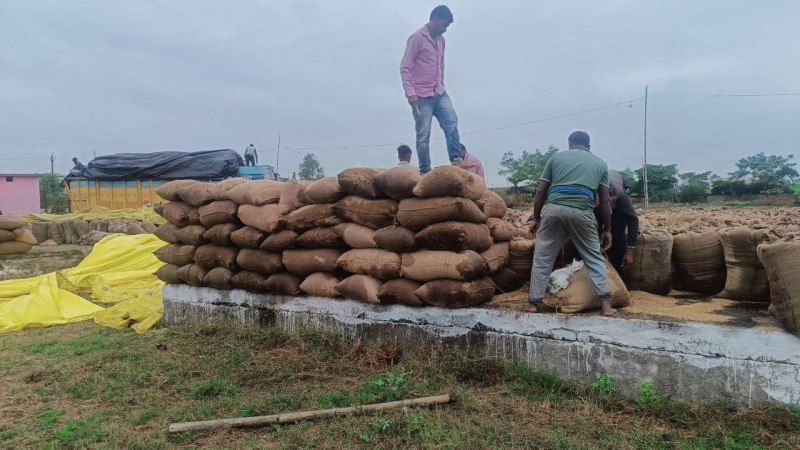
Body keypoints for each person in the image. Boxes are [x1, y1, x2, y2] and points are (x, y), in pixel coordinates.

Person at [527, 131, 617, 316]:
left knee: (543, 257)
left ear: (569, 144)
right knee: (593, 257)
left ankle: (533, 304)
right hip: (582, 212)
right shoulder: (600, 163)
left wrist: (536, 218)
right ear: (589, 146)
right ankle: (606, 306)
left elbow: (540, 191)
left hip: (554, 210)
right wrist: (607, 230)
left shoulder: (556, 158)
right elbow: (605, 201)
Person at [400, 5, 462, 174]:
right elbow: (405, 67)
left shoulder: (441, 41)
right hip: (421, 95)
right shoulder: (417, 38)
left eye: (447, 27)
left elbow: (440, 65)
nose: (445, 29)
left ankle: (456, 160)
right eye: (443, 25)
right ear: (434, 20)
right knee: (423, 134)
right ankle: (425, 171)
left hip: (439, 92)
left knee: (451, 122)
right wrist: (410, 93)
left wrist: (440, 83)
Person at [595, 169, 639, 281]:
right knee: (596, 229)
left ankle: (618, 273)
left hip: (617, 196)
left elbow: (633, 220)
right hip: (597, 207)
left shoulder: (621, 196)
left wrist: (630, 251)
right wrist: (597, 246)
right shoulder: (589, 195)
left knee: (618, 236)